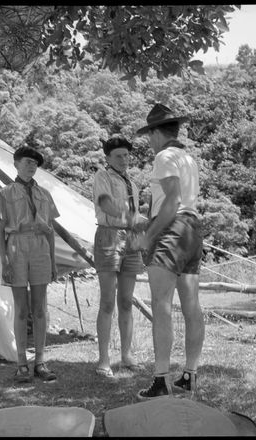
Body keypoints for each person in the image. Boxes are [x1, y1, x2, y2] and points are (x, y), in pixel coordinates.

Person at [134, 103, 204, 399]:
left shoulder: (164, 156)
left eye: (149, 135)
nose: (149, 142)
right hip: (192, 229)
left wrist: (148, 236)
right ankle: (188, 375)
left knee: (161, 304)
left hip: (172, 230)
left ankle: (161, 380)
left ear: (158, 133)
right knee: (191, 306)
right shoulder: (187, 158)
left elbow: (172, 201)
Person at [0, 146, 59, 383]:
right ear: (16, 164)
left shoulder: (45, 194)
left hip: (40, 248)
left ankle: (40, 361)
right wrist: (4, 260)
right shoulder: (5, 193)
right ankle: (21, 363)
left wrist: (52, 259)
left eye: (35, 163)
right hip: (16, 247)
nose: (32, 166)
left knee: (40, 308)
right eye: (28, 162)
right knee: (21, 309)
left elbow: (51, 230)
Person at [92, 136, 144, 377]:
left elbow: (135, 216)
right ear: (108, 158)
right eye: (118, 156)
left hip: (130, 239)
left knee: (126, 300)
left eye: (126, 155)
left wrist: (139, 227)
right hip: (109, 236)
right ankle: (104, 360)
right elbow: (105, 204)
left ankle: (126, 356)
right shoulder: (102, 177)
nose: (124, 160)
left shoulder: (132, 184)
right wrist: (127, 217)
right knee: (107, 301)